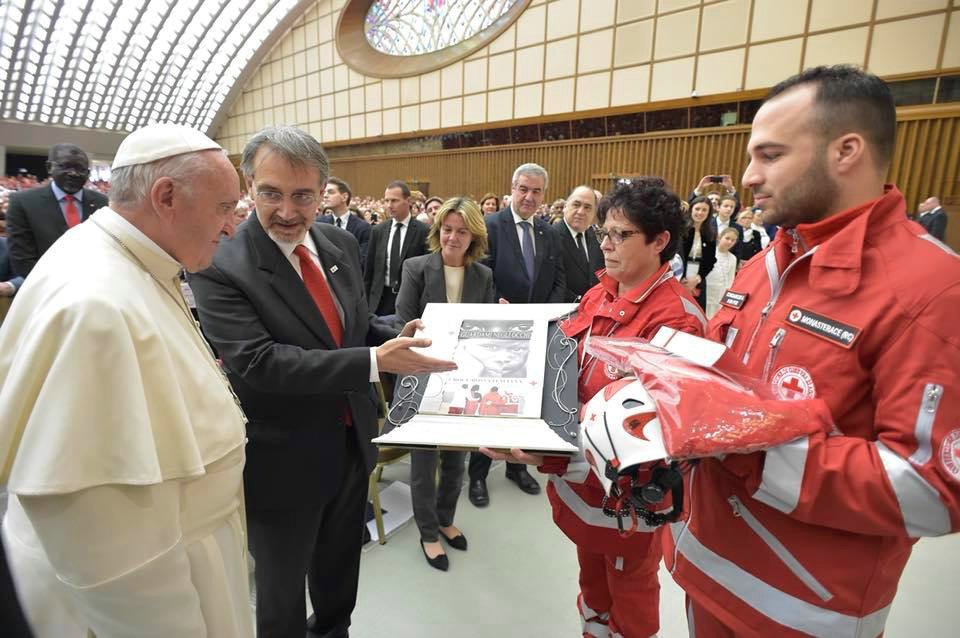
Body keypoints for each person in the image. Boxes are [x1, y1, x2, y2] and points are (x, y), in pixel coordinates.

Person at [668, 65, 960, 636]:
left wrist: (749, 455)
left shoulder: (931, 290)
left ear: (845, 150)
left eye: (770, 155)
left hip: (801, 607)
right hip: (705, 566)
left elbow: (933, 489)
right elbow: (722, 381)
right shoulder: (766, 262)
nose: (748, 177)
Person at [187, 126, 455, 638]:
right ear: (248, 186)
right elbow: (259, 362)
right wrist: (375, 361)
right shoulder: (220, 266)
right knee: (282, 597)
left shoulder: (338, 242)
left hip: (352, 446)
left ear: (325, 191)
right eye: (271, 193)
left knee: (338, 580)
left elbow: (350, 324)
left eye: (303, 196)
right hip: (282, 464)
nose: (287, 211)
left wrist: (397, 334)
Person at [0, 123, 254, 637]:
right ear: (165, 197)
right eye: (225, 207)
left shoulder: (123, 257)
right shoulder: (96, 308)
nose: (231, 227)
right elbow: (106, 550)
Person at [484, 177, 707, 638]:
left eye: (620, 235)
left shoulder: (678, 322)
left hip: (625, 503)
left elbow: (648, 441)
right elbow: (567, 358)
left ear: (660, 241)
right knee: (593, 586)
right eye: (604, 233)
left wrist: (544, 453)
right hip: (581, 491)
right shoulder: (603, 291)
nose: (604, 244)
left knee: (630, 595)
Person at [394, 197, 495, 571]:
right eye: (447, 229)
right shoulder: (416, 268)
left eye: (462, 231)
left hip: (463, 378)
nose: (453, 237)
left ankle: (445, 517)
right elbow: (401, 322)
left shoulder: (482, 276)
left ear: (474, 236)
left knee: (456, 458)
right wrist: (414, 337)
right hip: (421, 376)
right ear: (438, 232)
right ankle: (427, 532)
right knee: (424, 462)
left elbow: (483, 330)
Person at [467, 162, 567, 506]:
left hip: (536, 330)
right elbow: (480, 273)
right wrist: (497, 304)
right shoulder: (490, 225)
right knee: (492, 403)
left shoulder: (548, 231)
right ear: (512, 187)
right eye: (523, 189)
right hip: (498, 330)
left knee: (524, 402)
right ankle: (477, 474)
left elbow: (558, 279)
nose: (529, 196)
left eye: (536, 191)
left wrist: (544, 315)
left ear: (544, 195)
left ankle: (516, 467)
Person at [6, 143, 109, 277]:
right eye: (65, 167)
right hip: (44, 288)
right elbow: (22, 261)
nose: (73, 173)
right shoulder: (22, 202)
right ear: (49, 167)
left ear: (88, 173)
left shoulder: (102, 202)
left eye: (81, 169)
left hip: (95, 284)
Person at [363, 180, 429, 316]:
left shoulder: (423, 231)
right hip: (380, 299)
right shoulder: (378, 230)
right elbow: (369, 270)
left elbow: (427, 271)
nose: (389, 205)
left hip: (410, 298)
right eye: (386, 201)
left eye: (394, 201)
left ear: (408, 201)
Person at [552, 185, 604, 302]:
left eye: (587, 207)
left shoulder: (597, 237)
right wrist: (579, 301)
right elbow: (550, 281)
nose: (581, 211)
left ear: (594, 212)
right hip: (563, 311)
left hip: (595, 308)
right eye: (576, 205)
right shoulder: (551, 236)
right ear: (566, 206)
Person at [319, 176, 371, 267]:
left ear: (344, 197)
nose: (325, 195)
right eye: (325, 192)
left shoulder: (363, 227)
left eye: (331, 192)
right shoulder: (319, 223)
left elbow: (362, 260)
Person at [679, 195, 717, 309]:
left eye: (704, 210)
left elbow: (711, 261)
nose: (700, 213)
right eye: (697, 209)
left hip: (698, 281)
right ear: (691, 209)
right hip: (679, 279)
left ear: (709, 213)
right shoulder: (681, 230)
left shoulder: (710, 234)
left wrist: (698, 278)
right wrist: (681, 279)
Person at [705, 226, 739, 317]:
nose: (729, 242)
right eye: (727, 238)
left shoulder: (733, 258)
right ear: (720, 237)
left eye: (733, 240)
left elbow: (731, 279)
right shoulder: (710, 251)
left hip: (720, 294)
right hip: (707, 290)